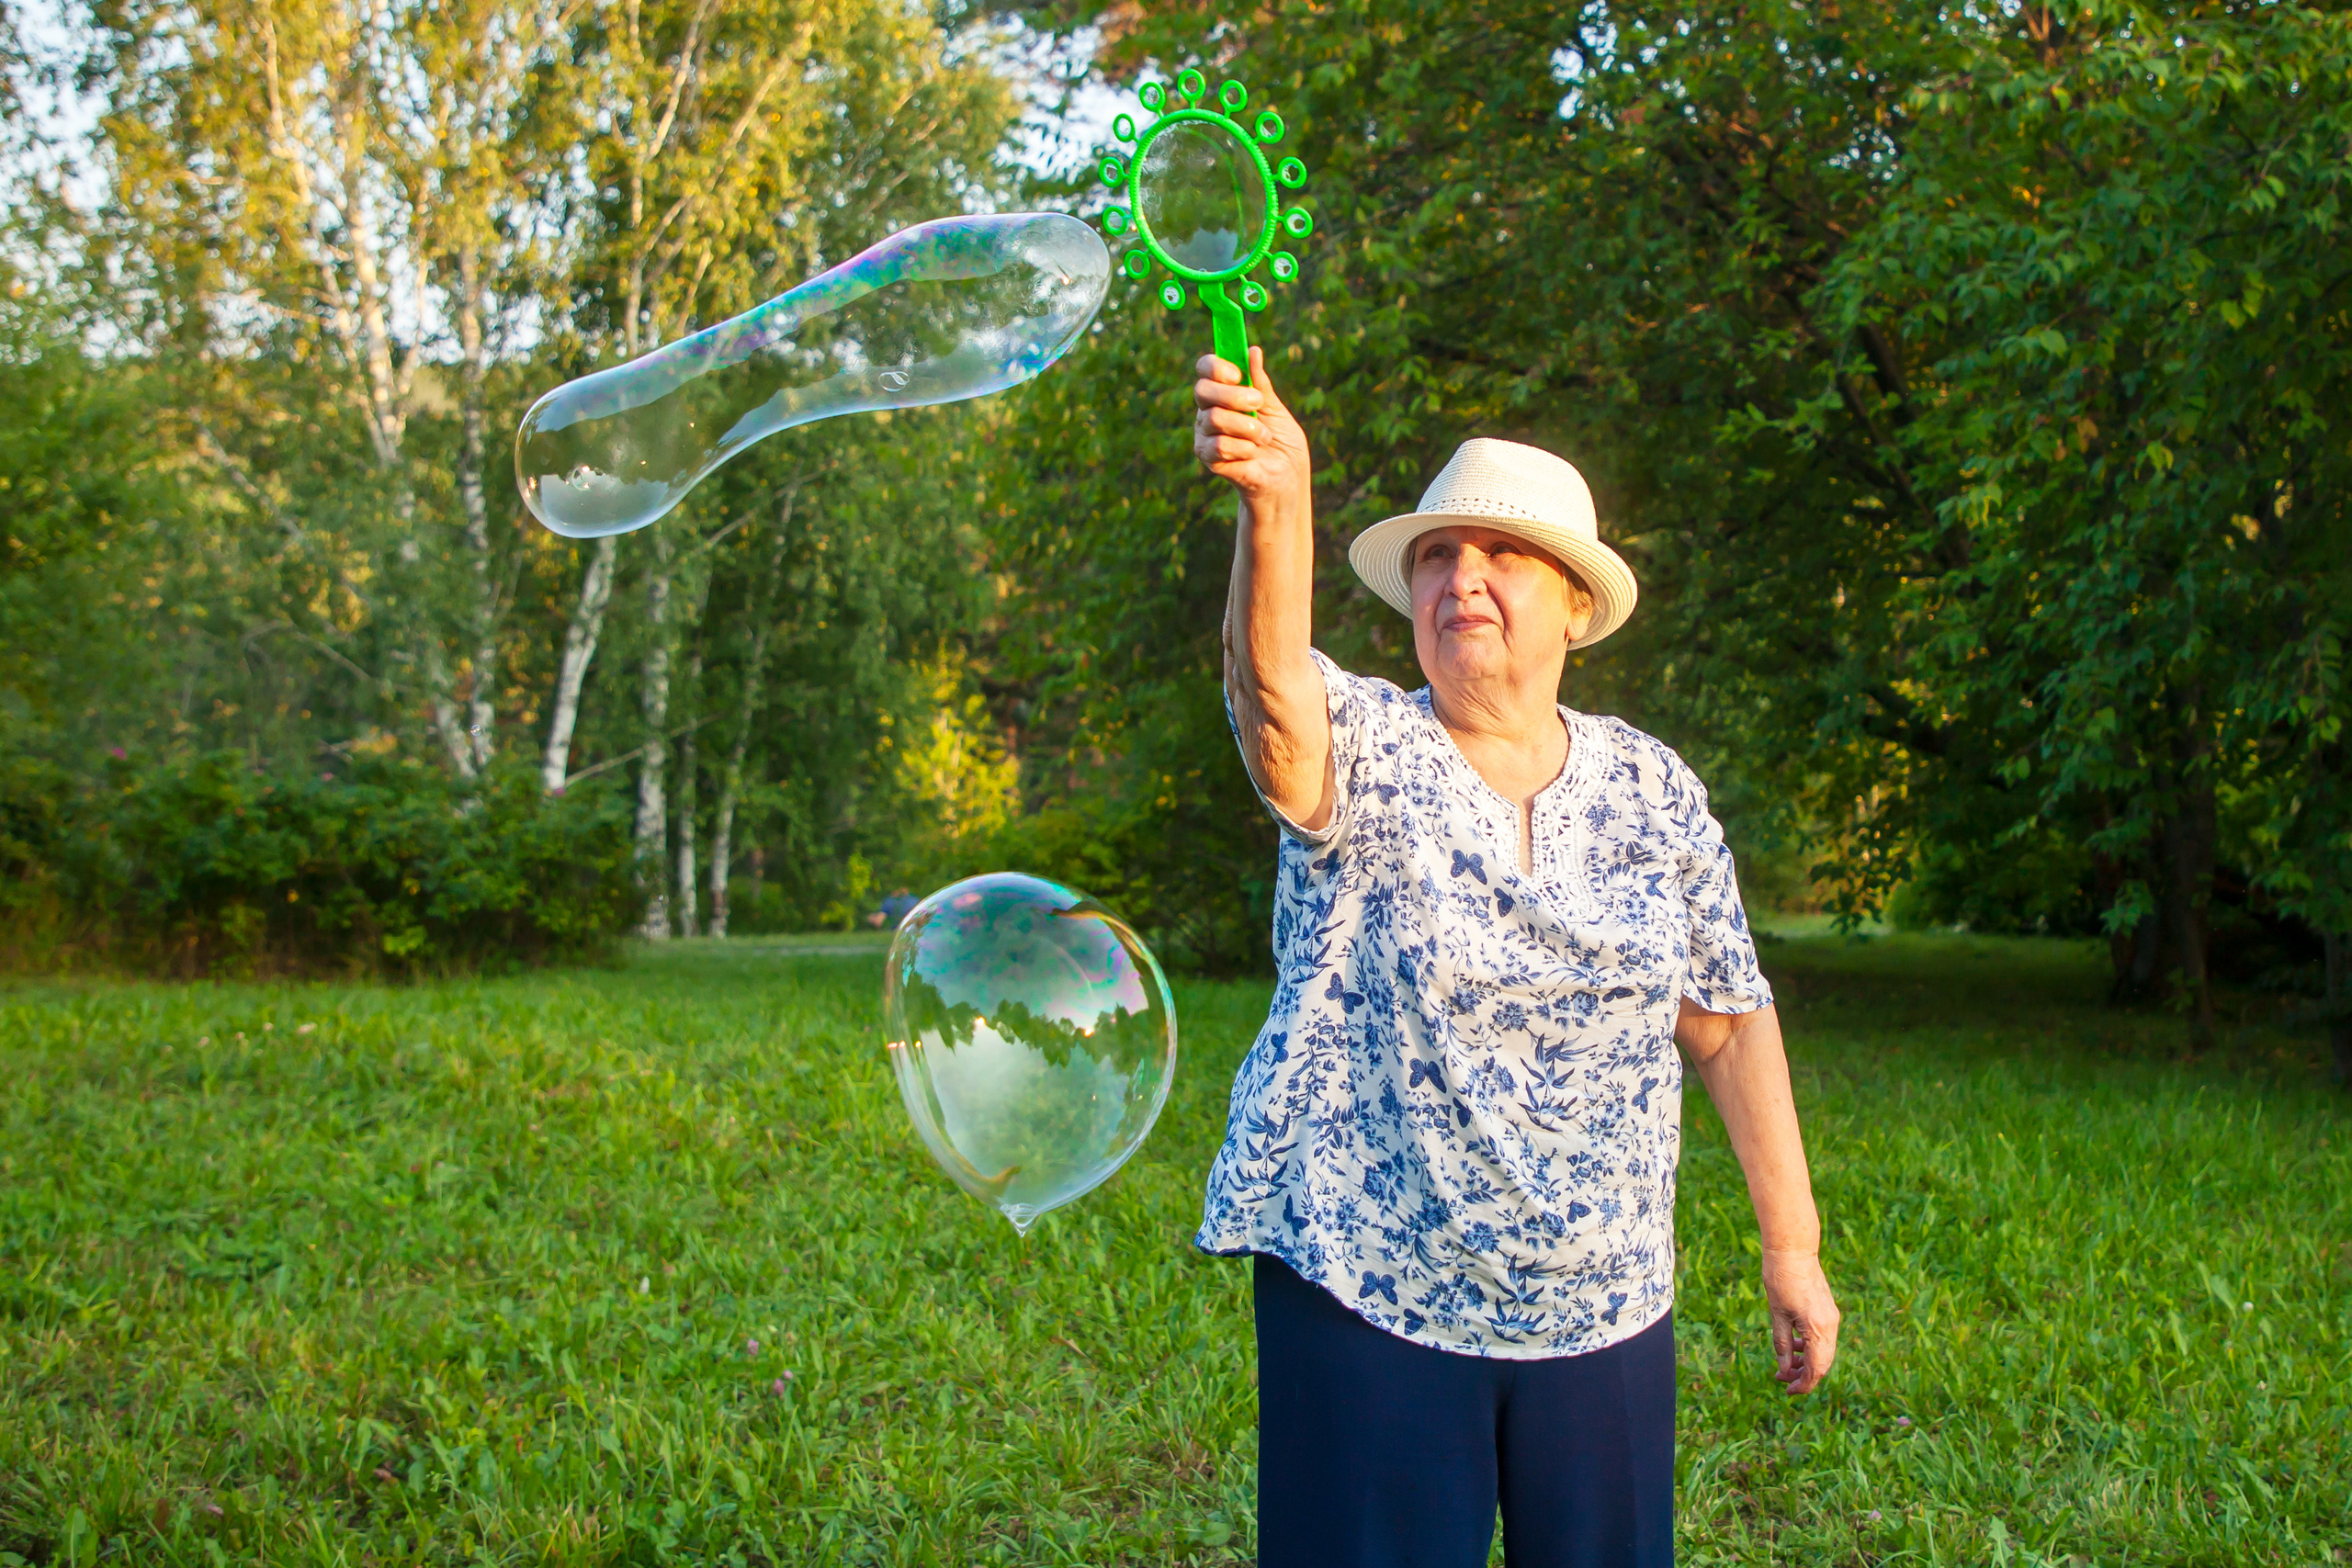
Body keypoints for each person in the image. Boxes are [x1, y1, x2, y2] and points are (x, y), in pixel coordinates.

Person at [1191, 347, 1839, 1568]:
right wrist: (1275, 504)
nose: (1462, 578)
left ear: (1576, 607)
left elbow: (1727, 1018)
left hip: (1602, 1313)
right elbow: (1275, 705)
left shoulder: (1654, 788)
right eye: (1438, 554)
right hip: (1368, 1296)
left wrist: (1789, 1249)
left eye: (1501, 554)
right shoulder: (1374, 746)